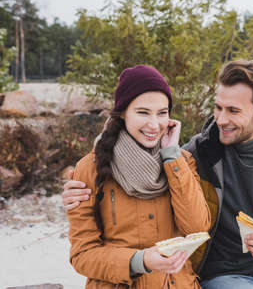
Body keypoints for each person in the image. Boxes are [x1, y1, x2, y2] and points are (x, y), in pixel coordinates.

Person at [63, 60, 253, 288]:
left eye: (233, 110)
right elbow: (130, 154)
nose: (220, 119)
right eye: (218, 108)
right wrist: (77, 186)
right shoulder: (198, 153)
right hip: (225, 274)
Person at [65, 64, 210, 288]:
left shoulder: (182, 162)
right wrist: (139, 261)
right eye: (143, 112)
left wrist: (171, 157)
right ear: (122, 112)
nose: (154, 124)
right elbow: (82, 255)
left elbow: (197, 228)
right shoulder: (90, 168)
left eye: (162, 113)